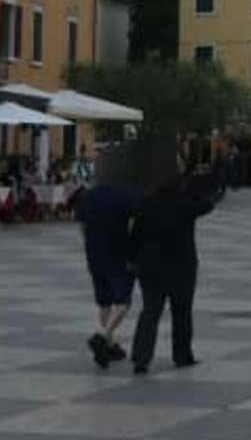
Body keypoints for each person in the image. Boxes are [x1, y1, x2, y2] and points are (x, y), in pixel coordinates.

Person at [130, 162, 211, 373]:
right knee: (182, 312)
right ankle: (182, 355)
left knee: (150, 312)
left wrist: (132, 259)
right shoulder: (185, 203)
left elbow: (135, 235)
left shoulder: (146, 203)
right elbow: (207, 204)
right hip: (182, 267)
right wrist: (191, 188)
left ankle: (141, 358)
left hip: (150, 267)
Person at [75, 149, 139, 368]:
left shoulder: (88, 196)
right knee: (123, 302)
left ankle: (109, 345)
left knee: (104, 301)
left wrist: (90, 244)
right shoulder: (127, 195)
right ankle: (102, 336)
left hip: (94, 254)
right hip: (120, 253)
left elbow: (82, 226)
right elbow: (134, 225)